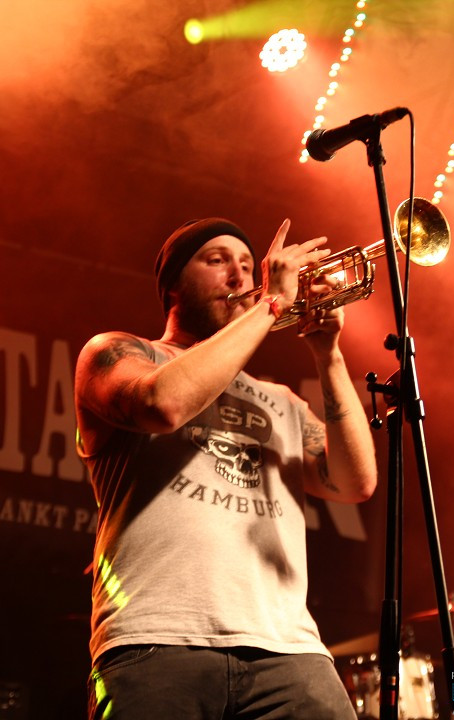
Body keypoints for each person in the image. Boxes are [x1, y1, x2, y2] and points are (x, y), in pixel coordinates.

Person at [74, 217, 377, 720]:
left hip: (290, 650)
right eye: (217, 261)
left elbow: (354, 481)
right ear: (172, 285)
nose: (241, 278)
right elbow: (162, 405)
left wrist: (330, 357)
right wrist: (271, 305)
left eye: (245, 265)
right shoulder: (118, 353)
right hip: (156, 640)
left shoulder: (280, 400)